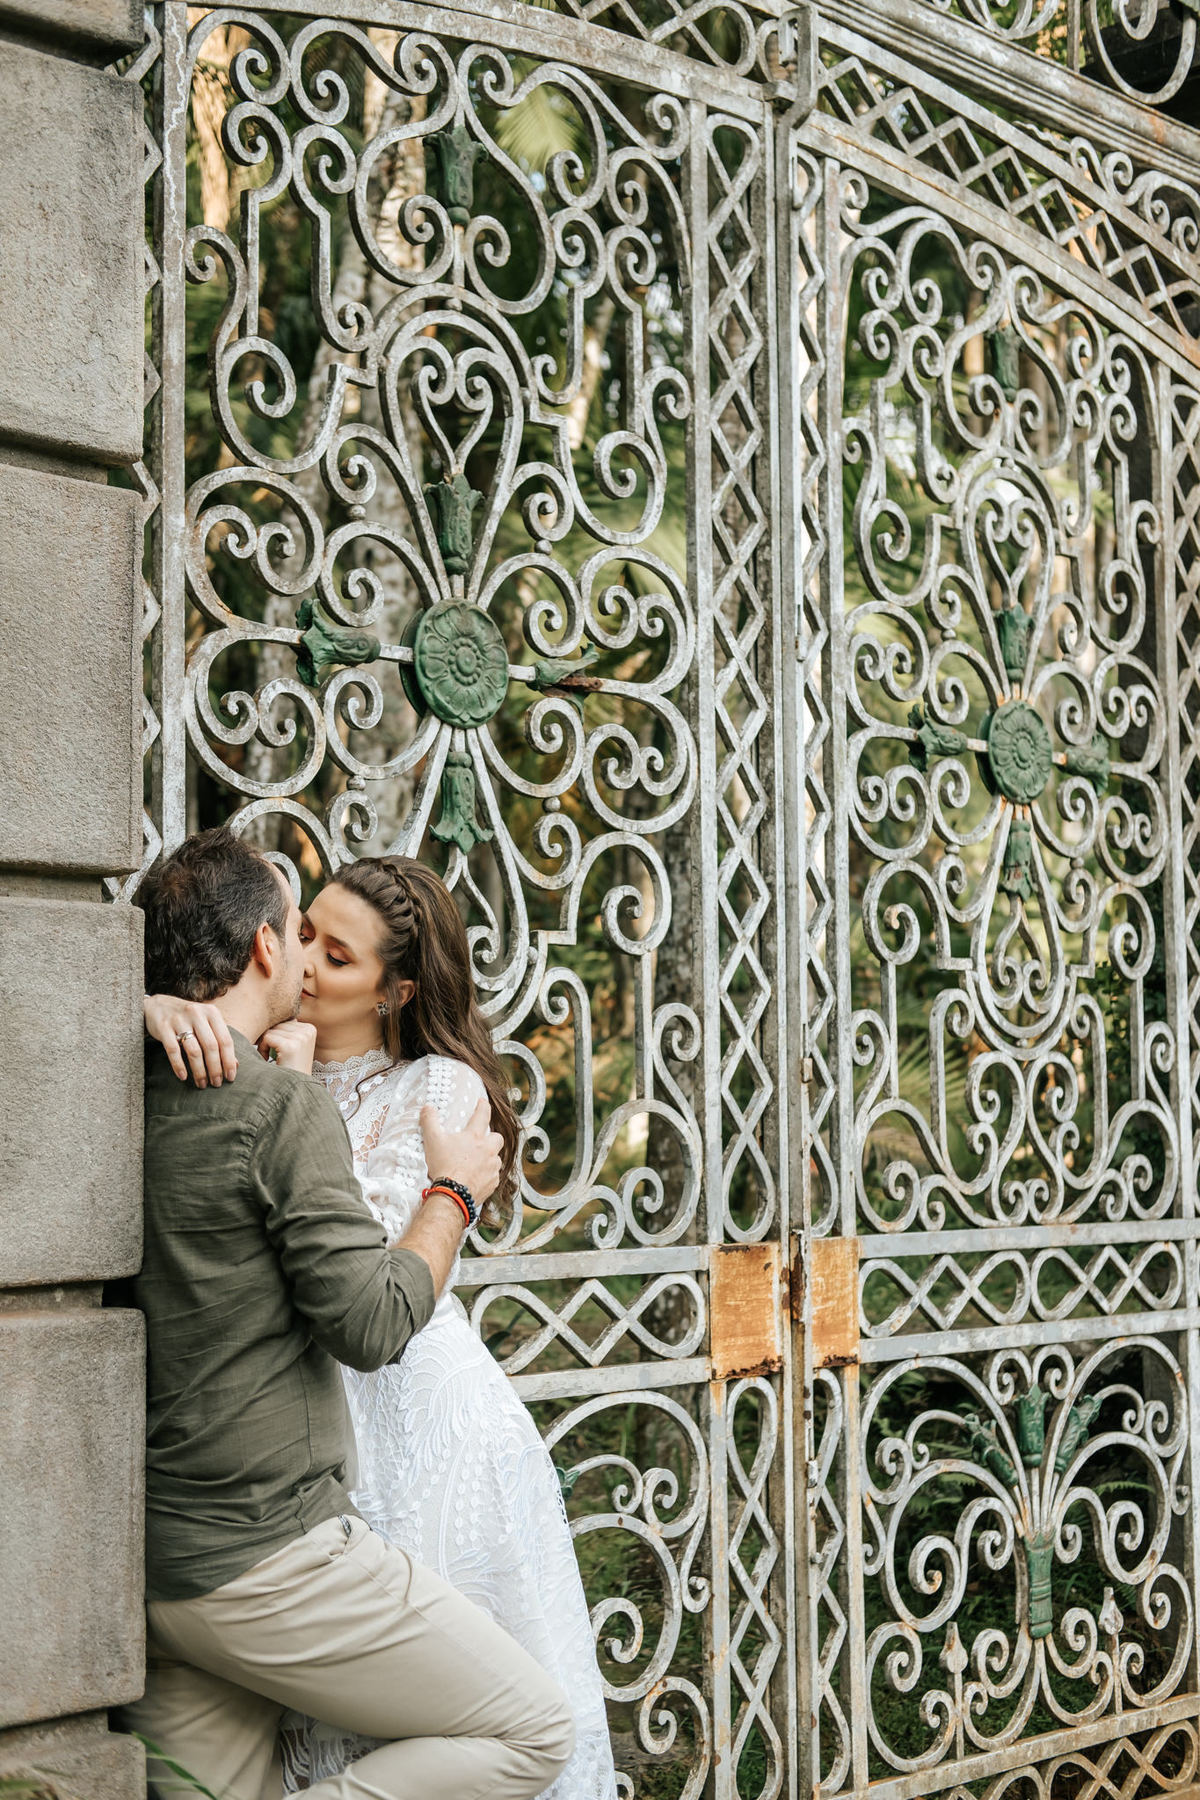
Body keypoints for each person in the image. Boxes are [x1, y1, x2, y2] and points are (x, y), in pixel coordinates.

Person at [145, 853, 619, 1800]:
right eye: (305, 934)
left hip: (411, 1412)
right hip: (286, 1457)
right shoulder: (232, 1057)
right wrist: (151, 1007)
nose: (310, 960)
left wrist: (440, 1191)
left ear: (394, 991)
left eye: (339, 955)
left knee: (479, 1709)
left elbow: (372, 1284)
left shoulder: (433, 1086)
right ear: (267, 946)